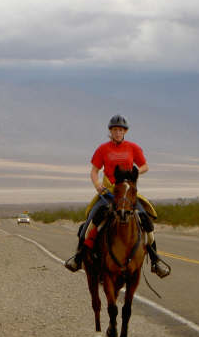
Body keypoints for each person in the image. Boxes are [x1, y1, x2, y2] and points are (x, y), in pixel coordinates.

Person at [64, 114, 170, 278]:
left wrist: (135, 172)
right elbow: (94, 171)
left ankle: (155, 261)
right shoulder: (103, 149)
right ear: (110, 132)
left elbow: (145, 166)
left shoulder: (133, 148)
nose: (118, 132)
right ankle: (78, 258)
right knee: (91, 220)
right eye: (115, 130)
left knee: (146, 221)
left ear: (125, 132)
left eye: (120, 130)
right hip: (108, 193)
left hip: (128, 191)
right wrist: (97, 184)